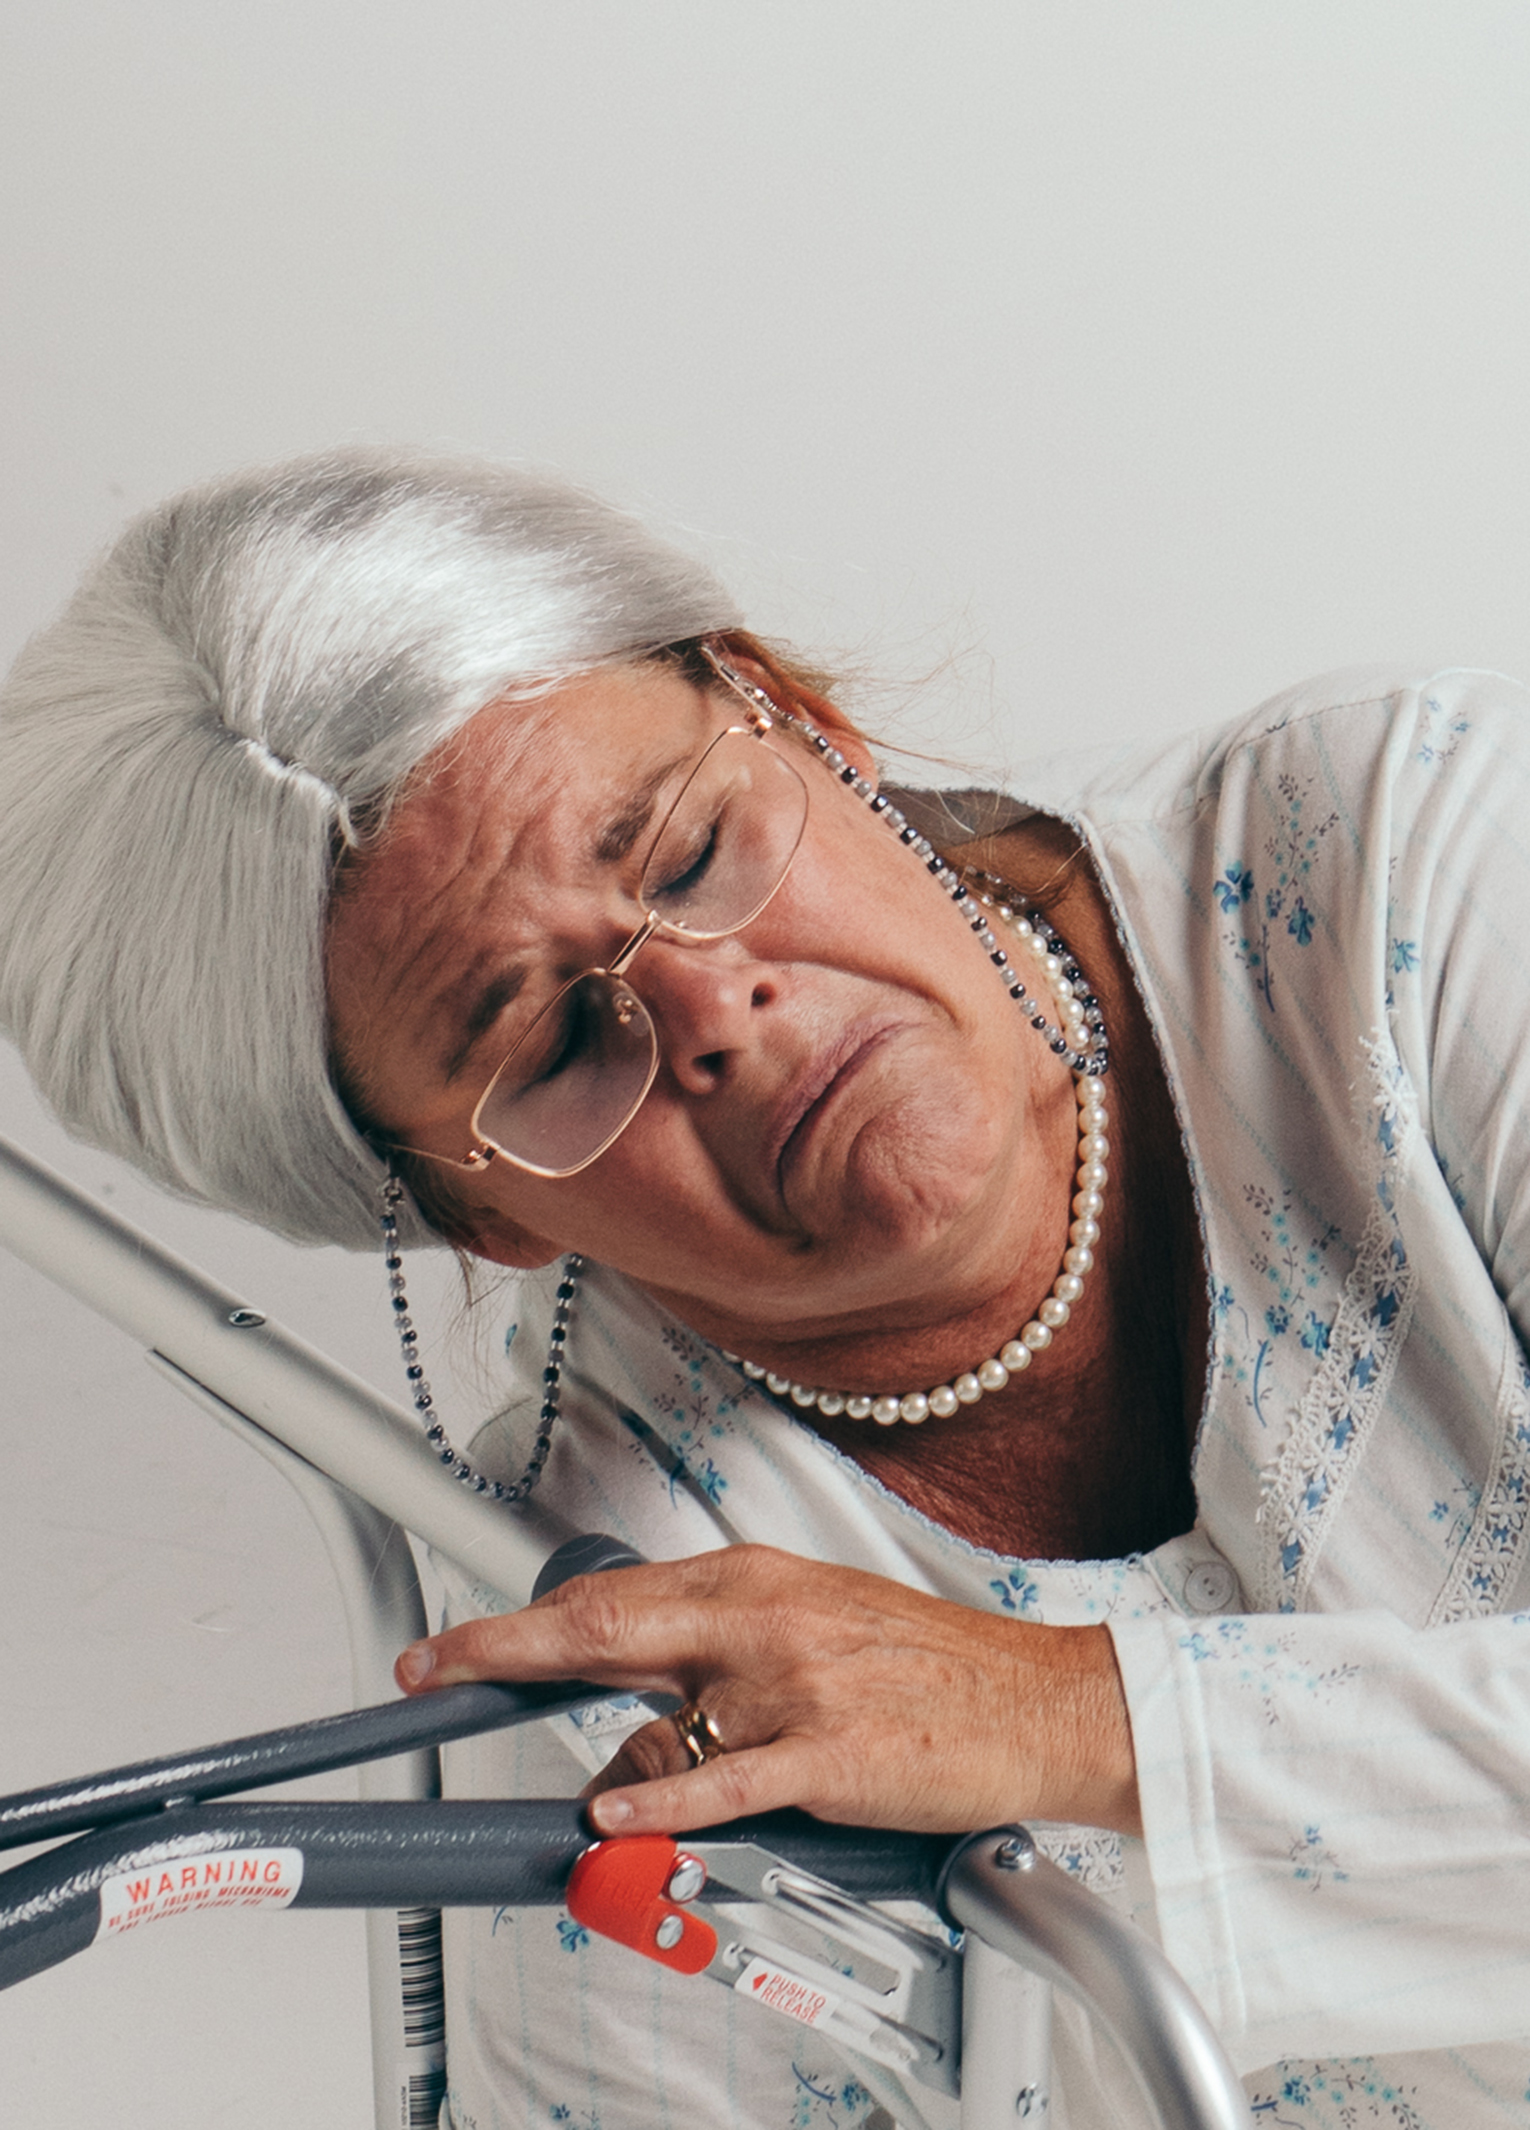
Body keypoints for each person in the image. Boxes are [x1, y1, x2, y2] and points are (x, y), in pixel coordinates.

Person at [2, 447, 1528, 2130]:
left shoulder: (1415, 864)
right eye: (555, 1042)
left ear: (793, 714)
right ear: (470, 1215)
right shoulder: (638, 1640)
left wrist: (1058, 1712)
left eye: (678, 848)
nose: (716, 1007)